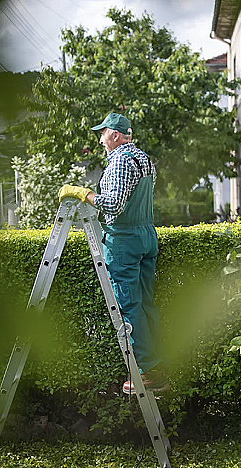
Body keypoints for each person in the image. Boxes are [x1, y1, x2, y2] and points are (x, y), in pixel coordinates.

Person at [58, 112, 168, 395]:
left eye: (103, 133)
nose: (100, 139)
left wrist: (81, 193)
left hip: (125, 240)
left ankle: (148, 371)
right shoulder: (144, 159)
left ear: (116, 135)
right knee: (145, 303)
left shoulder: (119, 161)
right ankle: (158, 367)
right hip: (146, 236)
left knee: (128, 306)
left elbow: (111, 205)